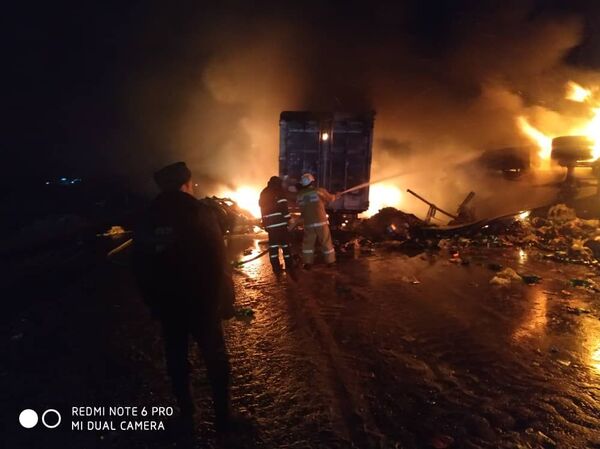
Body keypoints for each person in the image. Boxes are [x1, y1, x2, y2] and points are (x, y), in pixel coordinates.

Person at [132, 161, 237, 432]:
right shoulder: (200, 212)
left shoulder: (149, 216)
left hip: (168, 305)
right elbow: (218, 260)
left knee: (176, 359)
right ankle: (223, 418)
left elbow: (140, 264)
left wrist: (152, 303)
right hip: (202, 302)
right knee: (215, 358)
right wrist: (226, 300)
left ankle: (186, 413)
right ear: (186, 185)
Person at [296, 173, 338, 268]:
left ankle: (307, 263)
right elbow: (330, 198)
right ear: (312, 182)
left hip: (308, 223)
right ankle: (330, 262)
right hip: (320, 221)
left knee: (308, 244)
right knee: (325, 241)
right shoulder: (319, 191)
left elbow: (303, 207)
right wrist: (336, 196)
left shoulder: (299, 195)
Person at [259, 176, 295, 275]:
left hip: (270, 225)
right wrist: (289, 219)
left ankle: (276, 268)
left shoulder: (264, 193)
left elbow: (262, 209)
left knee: (273, 247)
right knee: (285, 246)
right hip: (280, 224)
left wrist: (265, 223)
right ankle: (289, 266)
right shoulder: (278, 191)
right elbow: (283, 207)